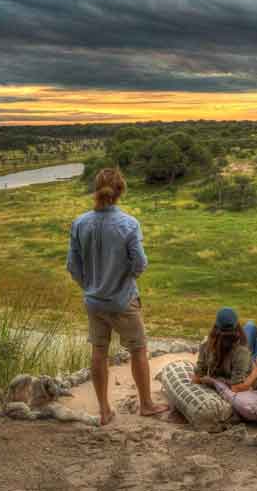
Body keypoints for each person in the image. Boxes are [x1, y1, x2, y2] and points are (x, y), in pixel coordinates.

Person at [67, 167, 167, 426]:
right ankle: (146, 404)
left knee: (99, 350)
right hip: (123, 300)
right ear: (120, 191)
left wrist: (88, 285)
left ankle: (104, 410)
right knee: (138, 349)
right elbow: (140, 263)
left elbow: (72, 266)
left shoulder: (80, 223)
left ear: (96, 190)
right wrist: (126, 280)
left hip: (93, 301)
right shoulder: (128, 224)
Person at [192, 307, 257, 392]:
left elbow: (196, 378)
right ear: (237, 326)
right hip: (255, 375)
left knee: (250, 325)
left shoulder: (205, 345)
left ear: (215, 326)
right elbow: (236, 388)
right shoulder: (241, 351)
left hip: (243, 361)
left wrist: (207, 379)